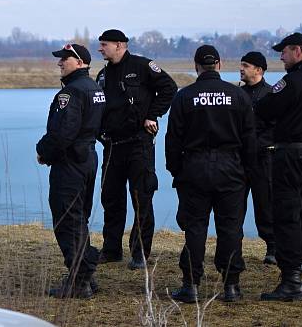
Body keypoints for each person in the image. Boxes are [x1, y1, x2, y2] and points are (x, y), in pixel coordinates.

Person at [164, 45, 256, 303]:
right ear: (219, 64)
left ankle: (191, 285)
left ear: (196, 66)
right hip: (231, 169)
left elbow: (172, 141)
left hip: (194, 168)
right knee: (230, 228)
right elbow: (250, 139)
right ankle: (231, 286)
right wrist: (248, 172)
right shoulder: (238, 96)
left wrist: (177, 171)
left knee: (195, 228)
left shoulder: (184, 97)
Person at [256, 32, 302, 300]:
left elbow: (265, 109)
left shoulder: (293, 80)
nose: (281, 56)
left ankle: (291, 281)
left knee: (287, 216)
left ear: (298, 51)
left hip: (292, 155)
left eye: (284, 51)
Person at [96, 29, 178, 270]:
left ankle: (140, 253)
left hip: (138, 145)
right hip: (112, 146)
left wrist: (152, 115)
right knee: (110, 198)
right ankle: (111, 250)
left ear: (119, 45)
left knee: (141, 198)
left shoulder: (143, 66)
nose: (100, 48)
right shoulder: (102, 75)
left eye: (104, 44)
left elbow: (169, 89)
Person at [37, 43, 105, 299]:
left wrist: (44, 151)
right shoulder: (95, 88)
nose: (60, 63)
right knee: (79, 218)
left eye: (64, 59)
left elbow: (62, 132)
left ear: (80, 62)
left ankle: (79, 281)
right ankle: (86, 274)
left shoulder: (72, 93)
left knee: (67, 220)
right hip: (88, 158)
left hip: (70, 163)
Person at [239, 51, 277, 265]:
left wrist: (255, 144)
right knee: (235, 206)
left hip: (264, 158)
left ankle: (272, 247)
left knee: (266, 204)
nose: (241, 68)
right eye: (241, 65)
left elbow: (276, 128)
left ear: (259, 70)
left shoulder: (272, 95)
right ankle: (234, 246)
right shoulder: (237, 94)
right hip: (239, 159)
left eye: (246, 65)